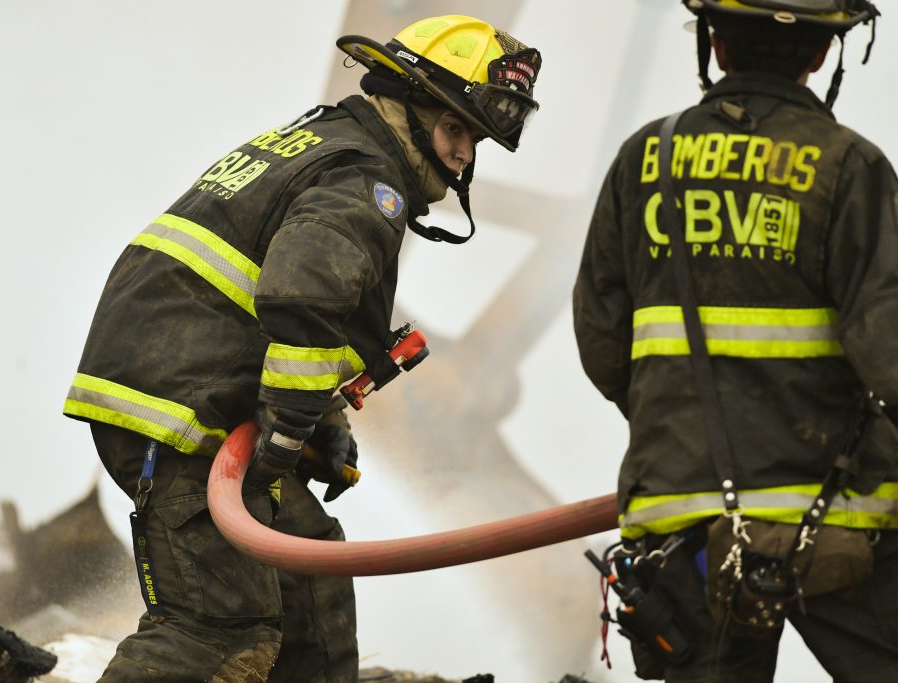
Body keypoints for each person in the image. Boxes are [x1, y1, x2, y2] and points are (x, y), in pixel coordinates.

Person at [63, 14, 542, 683]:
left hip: (191, 394)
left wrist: (324, 422)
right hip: (178, 416)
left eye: (474, 138)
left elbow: (303, 314)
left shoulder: (329, 143)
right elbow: (304, 300)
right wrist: (288, 432)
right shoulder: (366, 180)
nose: (464, 153)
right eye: (454, 129)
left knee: (310, 581)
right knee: (217, 632)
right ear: (406, 105)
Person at [573, 1, 898, 681]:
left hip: (683, 522)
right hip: (844, 517)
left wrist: (687, 430)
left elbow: (604, 343)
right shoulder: (847, 163)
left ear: (717, 45)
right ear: (822, 54)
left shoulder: (645, 158)